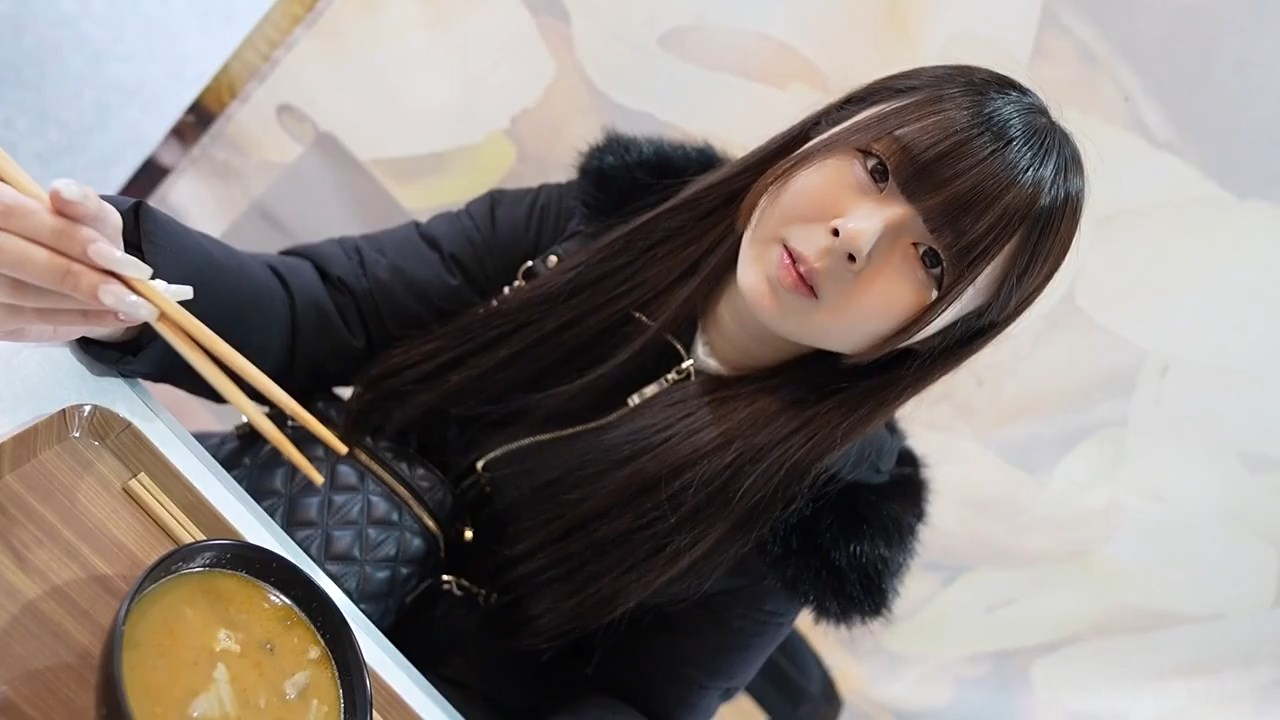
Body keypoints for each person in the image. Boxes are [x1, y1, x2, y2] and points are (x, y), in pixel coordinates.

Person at [0, 64, 1084, 718]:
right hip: (234, 548)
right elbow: (322, 306)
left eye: (929, 259)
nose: (856, 235)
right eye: (878, 169)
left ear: (936, 334)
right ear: (823, 137)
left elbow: (638, 705)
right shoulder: (598, 220)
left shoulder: (824, 509)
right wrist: (126, 269)